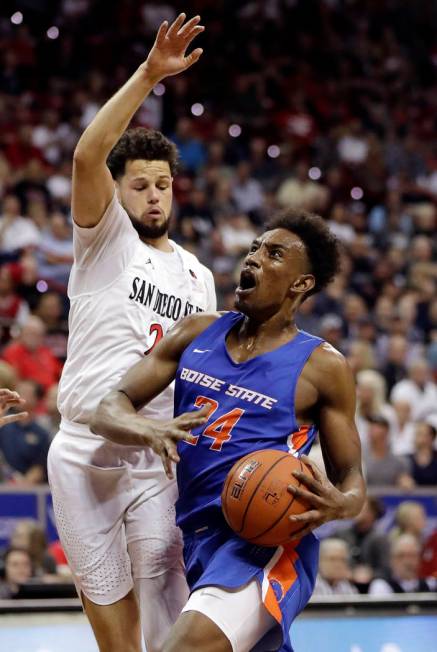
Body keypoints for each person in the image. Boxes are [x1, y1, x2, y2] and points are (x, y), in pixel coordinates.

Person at [92, 210, 366, 652]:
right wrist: (148, 429)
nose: (255, 257)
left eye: (274, 254)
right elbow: (107, 408)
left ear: (301, 284)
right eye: (256, 246)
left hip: (265, 542)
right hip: (199, 539)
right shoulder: (197, 331)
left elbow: (352, 479)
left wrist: (341, 505)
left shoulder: (322, 366)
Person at [46, 14, 215, 652]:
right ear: (115, 194)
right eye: (139, 185)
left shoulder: (198, 276)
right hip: (84, 450)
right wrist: (150, 74)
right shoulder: (102, 241)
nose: (153, 196)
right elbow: (89, 153)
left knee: (168, 608)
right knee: (117, 643)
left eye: (163, 186)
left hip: (156, 451)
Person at [368, 534, 433, 595]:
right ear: (392, 560)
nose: (407, 562)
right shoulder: (382, 586)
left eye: (412, 555)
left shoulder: (430, 585)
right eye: (401, 556)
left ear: (419, 559)